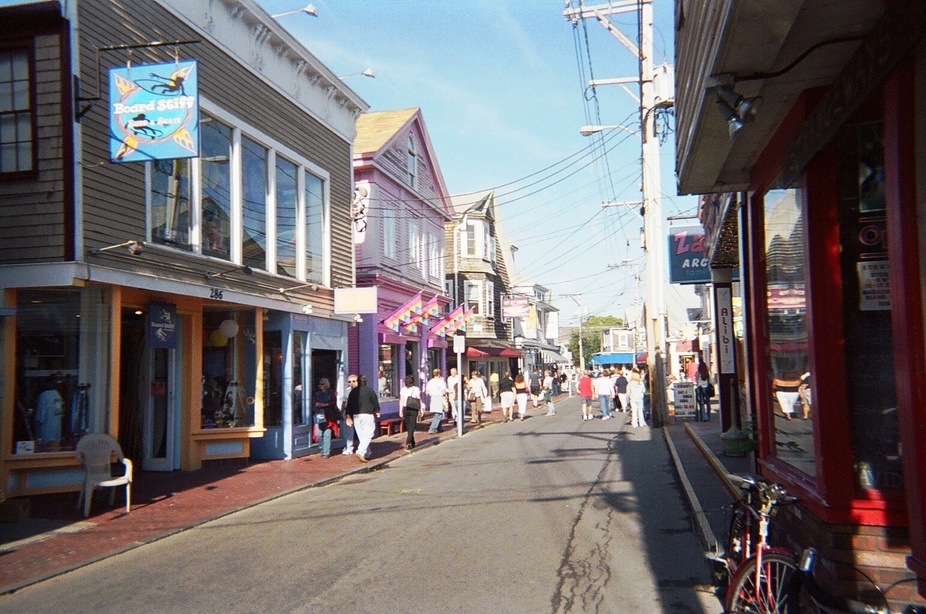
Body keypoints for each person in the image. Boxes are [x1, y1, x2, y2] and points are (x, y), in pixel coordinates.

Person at [344, 374, 379, 462]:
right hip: (367, 415)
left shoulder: (353, 392)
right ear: (365, 382)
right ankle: (360, 451)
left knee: (362, 436)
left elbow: (349, 406)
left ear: (358, 382)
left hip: (356, 416)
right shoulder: (370, 391)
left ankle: (367, 453)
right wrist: (377, 411)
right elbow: (375, 402)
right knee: (369, 433)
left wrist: (348, 416)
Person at [313, 378, 339, 458]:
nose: (320, 385)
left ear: (326, 385)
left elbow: (333, 403)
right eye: (319, 384)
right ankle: (322, 448)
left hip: (328, 415)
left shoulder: (330, 393)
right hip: (319, 415)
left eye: (322, 384)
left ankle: (326, 452)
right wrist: (316, 404)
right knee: (318, 433)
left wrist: (324, 405)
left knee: (327, 433)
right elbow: (313, 401)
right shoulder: (317, 393)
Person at [399, 375, 421, 450]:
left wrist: (400, 410)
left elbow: (401, 400)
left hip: (406, 408)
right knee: (411, 425)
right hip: (413, 409)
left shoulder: (403, 389)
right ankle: (410, 441)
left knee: (409, 426)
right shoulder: (416, 389)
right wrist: (421, 409)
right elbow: (418, 399)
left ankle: (410, 441)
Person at [425, 368, 448, 433]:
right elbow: (444, 392)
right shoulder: (440, 381)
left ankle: (439, 428)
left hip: (432, 398)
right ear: (439, 374)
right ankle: (432, 428)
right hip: (439, 397)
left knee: (437, 412)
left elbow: (427, 392)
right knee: (438, 414)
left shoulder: (430, 382)